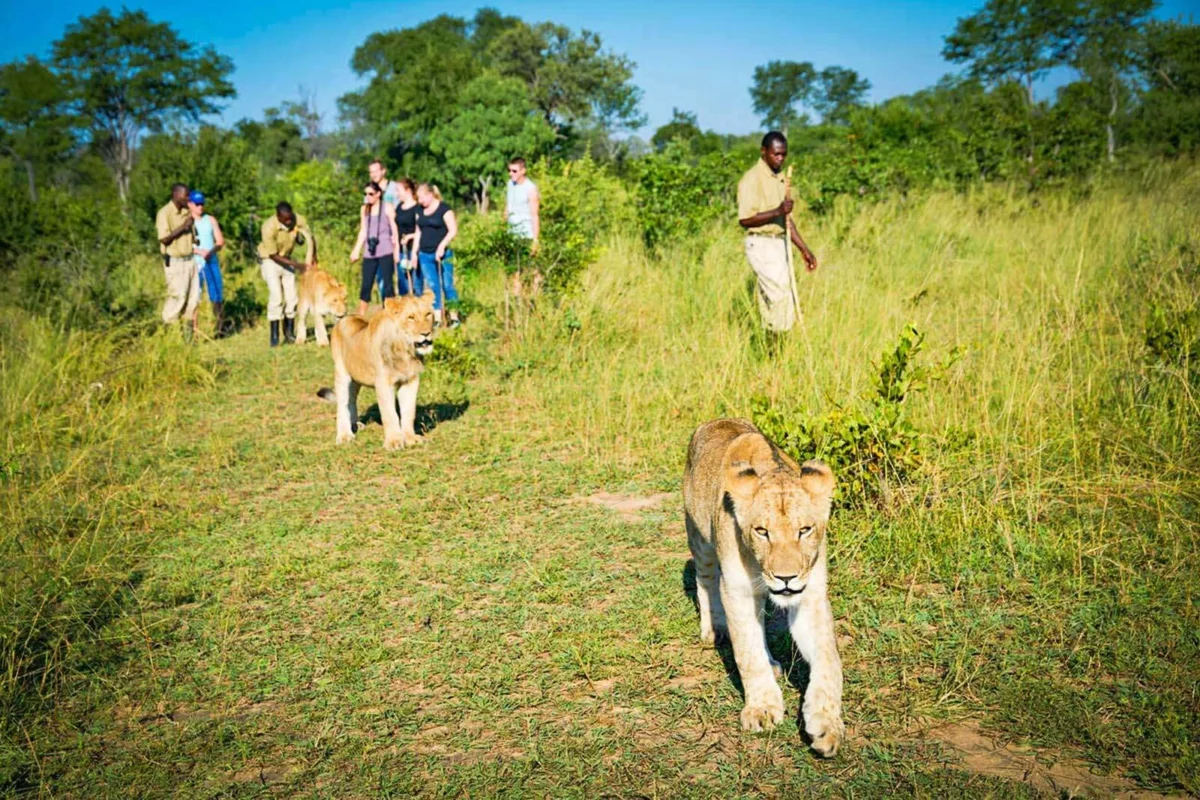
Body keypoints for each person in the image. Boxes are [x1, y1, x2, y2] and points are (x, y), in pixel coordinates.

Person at [736, 131, 818, 334]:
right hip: (761, 243)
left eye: (784, 155)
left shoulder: (780, 178)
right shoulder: (751, 179)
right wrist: (777, 211)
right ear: (764, 152)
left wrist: (804, 250)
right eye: (776, 154)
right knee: (781, 297)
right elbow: (745, 219)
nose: (780, 159)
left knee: (772, 301)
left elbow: (786, 221)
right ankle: (779, 341)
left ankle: (770, 350)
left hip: (778, 243)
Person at [258, 201, 316, 347]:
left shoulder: (298, 219)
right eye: (285, 219)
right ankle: (274, 336)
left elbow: (309, 237)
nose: (289, 221)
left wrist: (313, 256)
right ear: (278, 216)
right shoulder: (268, 227)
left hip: (287, 259)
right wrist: (297, 266)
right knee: (276, 296)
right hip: (271, 261)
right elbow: (272, 255)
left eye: (290, 217)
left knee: (292, 298)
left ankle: (289, 333)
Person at [155, 183, 201, 336]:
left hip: (190, 260)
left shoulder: (187, 212)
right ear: (176, 194)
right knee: (177, 298)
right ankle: (168, 338)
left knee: (193, 299)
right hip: (175, 262)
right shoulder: (164, 213)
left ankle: (187, 340)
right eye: (185, 195)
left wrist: (195, 238)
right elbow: (164, 239)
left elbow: (192, 234)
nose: (188, 198)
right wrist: (183, 227)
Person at [349, 180, 400, 316]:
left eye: (371, 194)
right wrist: (356, 250)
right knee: (366, 284)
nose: (368, 197)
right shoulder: (364, 209)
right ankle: (361, 315)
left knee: (387, 283)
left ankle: (390, 313)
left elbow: (394, 230)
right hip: (370, 252)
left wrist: (396, 250)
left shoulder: (387, 207)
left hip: (385, 249)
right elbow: (363, 230)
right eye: (366, 194)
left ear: (378, 194)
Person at [413, 183, 460, 328]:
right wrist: (414, 253)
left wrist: (442, 246)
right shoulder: (419, 211)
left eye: (421, 198)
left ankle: (453, 317)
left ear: (430, 195)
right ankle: (438, 318)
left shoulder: (444, 209)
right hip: (424, 254)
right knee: (433, 286)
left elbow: (453, 230)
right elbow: (418, 232)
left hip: (443, 254)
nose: (420, 201)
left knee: (447, 285)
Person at [188, 191, 226, 337]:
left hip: (211, 261)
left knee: (216, 295)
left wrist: (212, 251)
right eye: (197, 204)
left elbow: (220, 241)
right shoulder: (187, 221)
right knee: (195, 297)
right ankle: (194, 331)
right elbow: (184, 244)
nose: (200, 206)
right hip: (196, 264)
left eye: (202, 203)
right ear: (190, 204)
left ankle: (220, 328)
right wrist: (198, 251)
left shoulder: (210, 219)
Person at [368, 159, 400, 298]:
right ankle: (387, 307)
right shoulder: (370, 190)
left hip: (395, 236)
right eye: (371, 172)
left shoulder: (394, 188)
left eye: (376, 171)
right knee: (382, 279)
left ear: (383, 171)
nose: (373, 174)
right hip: (378, 241)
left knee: (401, 276)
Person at [503, 157, 540, 254]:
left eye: (514, 171)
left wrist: (535, 240)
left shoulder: (530, 189)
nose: (510, 173)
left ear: (523, 171)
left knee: (526, 267)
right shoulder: (510, 184)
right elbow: (508, 205)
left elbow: (535, 215)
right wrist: (503, 225)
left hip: (526, 235)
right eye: (509, 170)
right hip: (511, 233)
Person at [393, 177, 421, 296]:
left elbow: (422, 229)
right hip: (401, 250)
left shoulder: (418, 208)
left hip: (414, 250)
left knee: (416, 282)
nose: (396, 193)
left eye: (398, 190)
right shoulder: (399, 207)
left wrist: (411, 236)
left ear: (408, 190)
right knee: (402, 282)